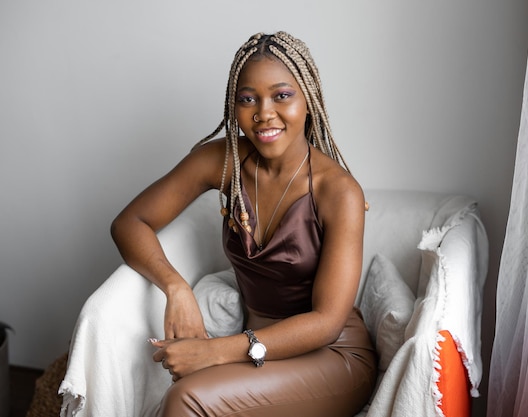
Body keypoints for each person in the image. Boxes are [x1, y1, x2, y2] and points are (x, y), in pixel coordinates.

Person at [109, 31, 377, 417]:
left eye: (282, 96)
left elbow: (327, 323)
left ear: (308, 101)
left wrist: (214, 352)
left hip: (331, 357)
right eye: (248, 98)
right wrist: (175, 287)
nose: (264, 113)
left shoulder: (339, 192)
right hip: (256, 351)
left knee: (186, 399)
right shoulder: (225, 162)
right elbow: (129, 222)